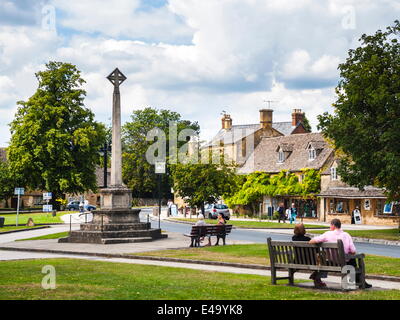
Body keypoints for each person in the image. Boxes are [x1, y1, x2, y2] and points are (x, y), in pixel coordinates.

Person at [309, 218, 372, 289]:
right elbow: (353, 251)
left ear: (333, 225)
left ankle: (354, 282)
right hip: (344, 263)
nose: (330, 227)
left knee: (350, 261)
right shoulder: (346, 235)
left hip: (331, 262)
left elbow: (312, 241)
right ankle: (356, 282)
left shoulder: (327, 234)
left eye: (330, 225)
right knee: (353, 260)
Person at [292, 223, 328, 288]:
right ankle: (317, 278)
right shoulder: (307, 239)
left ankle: (316, 278)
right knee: (322, 261)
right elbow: (316, 250)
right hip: (309, 262)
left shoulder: (293, 238)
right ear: (303, 230)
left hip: (297, 261)